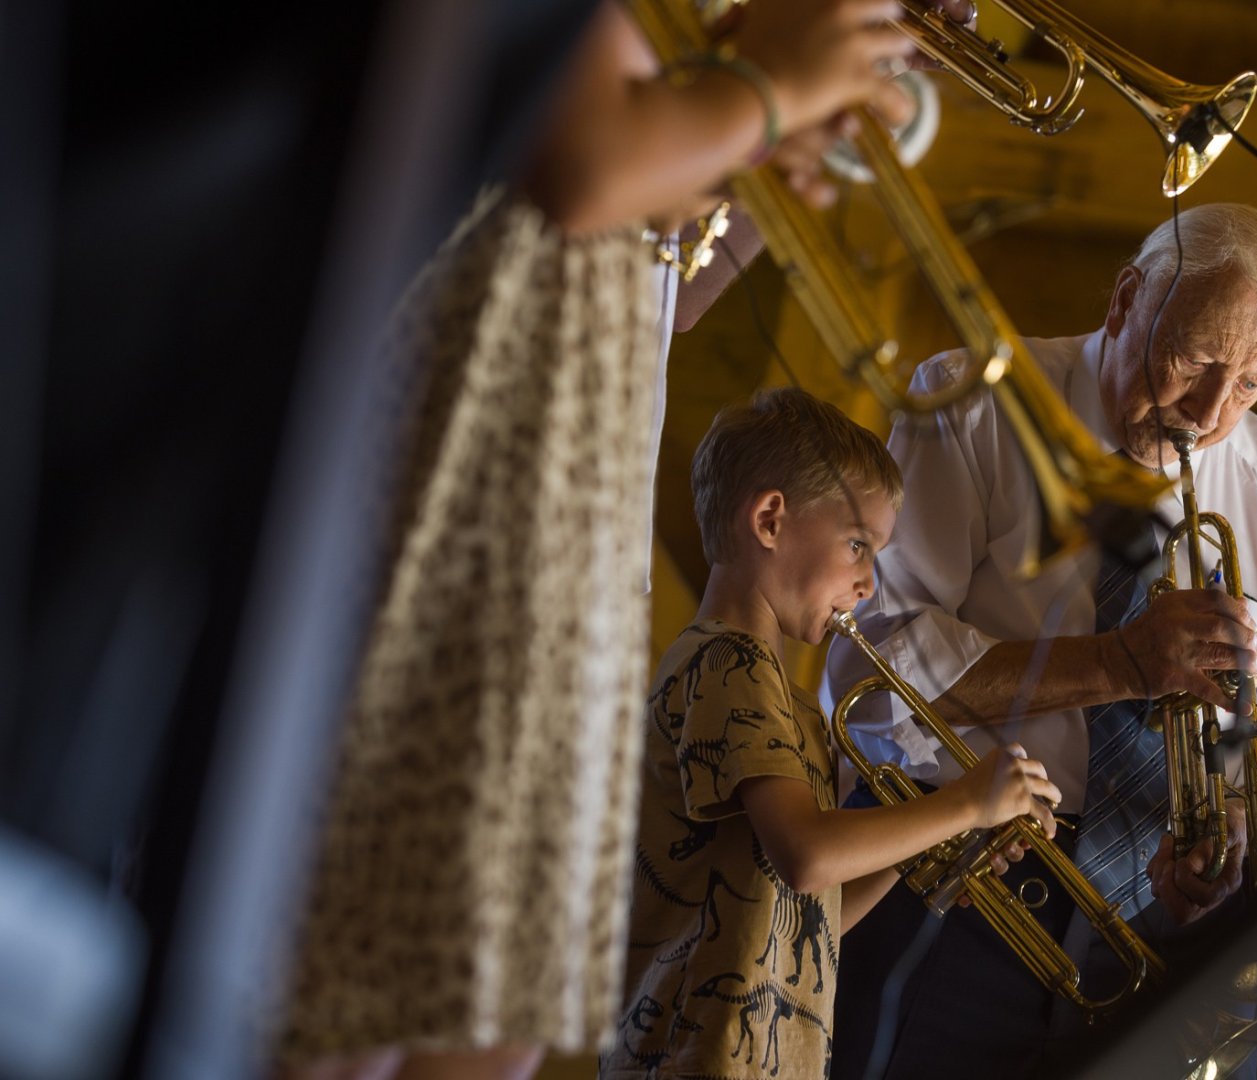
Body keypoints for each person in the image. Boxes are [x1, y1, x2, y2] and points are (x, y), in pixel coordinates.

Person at [272, 4, 924, 1079]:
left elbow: (662, 281)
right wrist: (765, 92)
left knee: (490, 1007)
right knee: (373, 975)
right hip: (477, 470)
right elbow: (582, 174)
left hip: (576, 518)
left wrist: (774, 149)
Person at [821, 202, 1257, 1079]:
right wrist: (1116, 664)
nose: (1209, 412)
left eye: (1252, 385)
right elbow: (866, 673)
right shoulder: (972, 401)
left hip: (1142, 936)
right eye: (1196, 360)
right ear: (1127, 299)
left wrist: (1241, 827)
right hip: (944, 882)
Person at [600, 386, 1061, 1079]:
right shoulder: (728, 660)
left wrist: (934, 843)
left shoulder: (786, 699)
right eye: (857, 545)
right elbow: (806, 855)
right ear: (770, 520)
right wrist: (965, 802)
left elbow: (805, 915)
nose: (869, 583)